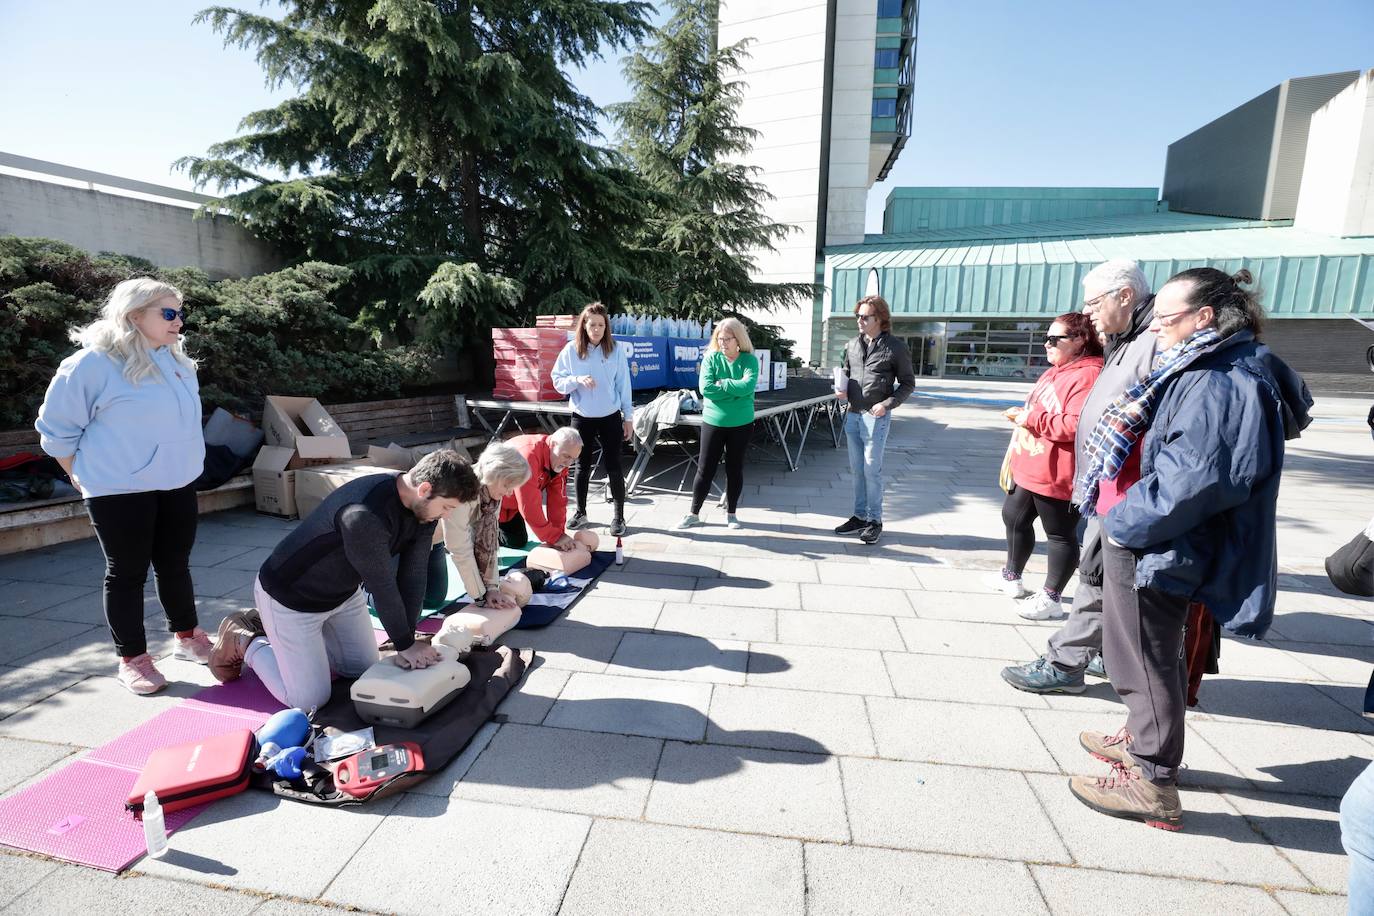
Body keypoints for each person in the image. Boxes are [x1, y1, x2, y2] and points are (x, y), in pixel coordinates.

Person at [1067, 268, 1312, 829]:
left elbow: (1195, 480)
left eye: (1166, 318)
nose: (1155, 328)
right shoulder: (1216, 365)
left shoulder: (1220, 379)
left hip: (1162, 543)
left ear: (1205, 319)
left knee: (1145, 658)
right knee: (1149, 653)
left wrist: (1122, 521)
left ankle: (1153, 781)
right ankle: (1144, 743)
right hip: (1162, 538)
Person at [34, 277, 212, 696]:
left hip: (177, 481)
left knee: (175, 563)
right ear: (134, 315)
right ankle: (131, 658)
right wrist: (75, 473)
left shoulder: (175, 360)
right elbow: (56, 429)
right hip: (117, 488)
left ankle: (186, 637)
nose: (178, 322)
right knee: (127, 573)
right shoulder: (90, 364)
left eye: (180, 313)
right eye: (168, 313)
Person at [208, 450, 479, 710]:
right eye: (447, 507)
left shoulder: (424, 507)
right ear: (424, 489)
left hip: (342, 595)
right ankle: (246, 639)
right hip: (291, 600)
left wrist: (405, 641)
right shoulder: (364, 515)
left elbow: (413, 573)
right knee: (309, 700)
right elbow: (383, 586)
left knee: (361, 671)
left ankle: (294, 641)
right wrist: (405, 645)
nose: (447, 515)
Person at [1001, 259, 1157, 694]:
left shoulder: (1148, 344)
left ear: (1124, 296)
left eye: (1093, 302)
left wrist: (1036, 420)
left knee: (1099, 574)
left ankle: (1070, 662)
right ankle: (1096, 655)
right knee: (1101, 576)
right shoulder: (1126, 343)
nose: (1088, 312)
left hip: (1128, 488)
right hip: (1111, 485)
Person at [989, 313, 1103, 620]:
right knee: (1013, 517)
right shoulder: (1059, 370)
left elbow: (1078, 424)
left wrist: (1030, 419)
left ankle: (1052, 597)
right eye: (1046, 338)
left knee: (1059, 534)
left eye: (1055, 339)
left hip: (1058, 470)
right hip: (1032, 463)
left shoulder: (1089, 374)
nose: (1047, 344)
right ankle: (1011, 576)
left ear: (1080, 340)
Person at [833, 295, 915, 546]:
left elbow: (908, 383)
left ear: (879, 319)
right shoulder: (852, 345)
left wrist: (886, 404)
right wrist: (840, 388)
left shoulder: (895, 347)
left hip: (875, 417)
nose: (859, 320)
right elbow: (845, 372)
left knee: (871, 469)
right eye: (858, 315)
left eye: (865, 316)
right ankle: (859, 516)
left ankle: (874, 521)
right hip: (853, 415)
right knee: (857, 470)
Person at [550, 302, 633, 537]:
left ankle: (618, 516)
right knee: (581, 467)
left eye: (601, 325)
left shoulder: (615, 350)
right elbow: (557, 382)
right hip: (582, 417)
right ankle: (581, 512)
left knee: (614, 466)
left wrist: (628, 417)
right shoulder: (570, 350)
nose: (596, 329)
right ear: (583, 326)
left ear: (606, 327)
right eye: (592, 324)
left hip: (610, 417)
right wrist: (576, 380)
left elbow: (624, 385)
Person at [676, 317, 759, 530]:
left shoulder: (749, 360)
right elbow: (706, 389)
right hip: (713, 421)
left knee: (734, 469)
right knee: (705, 469)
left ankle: (731, 514)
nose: (723, 343)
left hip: (741, 423)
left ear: (738, 339)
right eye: (720, 339)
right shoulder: (711, 359)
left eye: (728, 339)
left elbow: (747, 387)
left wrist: (723, 384)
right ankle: (693, 514)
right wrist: (734, 389)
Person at [441, 441, 532, 610]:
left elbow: (488, 542)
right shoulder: (462, 492)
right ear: (493, 474)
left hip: (440, 538)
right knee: (414, 599)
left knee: (433, 597)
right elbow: (460, 548)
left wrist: (492, 588)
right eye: (507, 486)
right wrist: (481, 596)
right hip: (418, 537)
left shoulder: (492, 494)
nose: (509, 493)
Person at [500, 427, 583, 551]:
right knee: (482, 546)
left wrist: (558, 535)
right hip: (487, 502)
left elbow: (558, 502)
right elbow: (529, 505)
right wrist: (554, 536)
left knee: (517, 542)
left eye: (573, 459)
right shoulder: (529, 456)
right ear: (553, 444)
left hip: (510, 506)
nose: (568, 464)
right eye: (566, 456)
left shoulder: (558, 458)